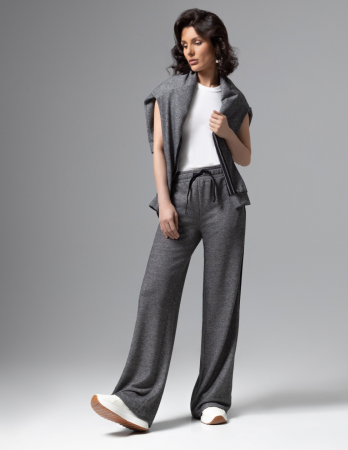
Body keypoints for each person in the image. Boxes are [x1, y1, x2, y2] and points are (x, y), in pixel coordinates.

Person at [91, 8, 253, 432]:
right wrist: (165, 203)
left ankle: (213, 399)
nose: (190, 51)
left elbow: (246, 157)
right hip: (180, 195)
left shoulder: (235, 100)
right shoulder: (168, 93)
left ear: (216, 44)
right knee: (155, 292)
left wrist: (227, 132)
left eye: (197, 42)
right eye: (184, 44)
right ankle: (135, 401)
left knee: (221, 298)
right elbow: (159, 149)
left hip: (224, 198)